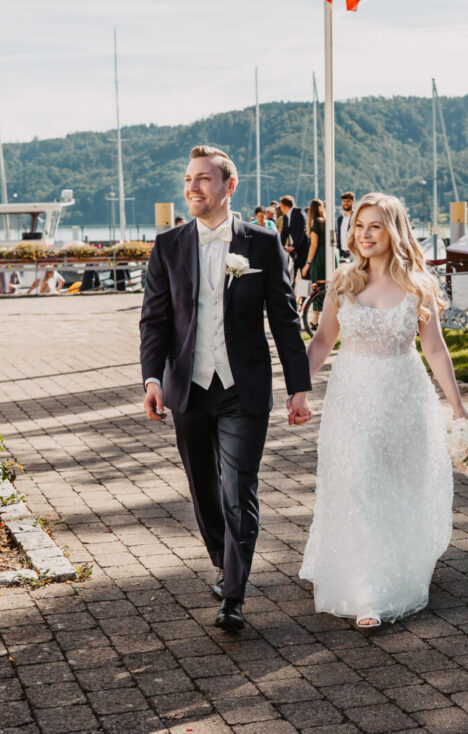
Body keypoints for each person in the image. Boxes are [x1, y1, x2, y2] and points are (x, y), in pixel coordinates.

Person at [140, 145, 312, 632]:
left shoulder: (262, 242)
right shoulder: (168, 245)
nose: (194, 188)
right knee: (204, 490)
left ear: (229, 186)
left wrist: (299, 386)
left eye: (204, 179)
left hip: (244, 388)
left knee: (240, 489)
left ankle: (233, 595)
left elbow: (284, 318)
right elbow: (153, 322)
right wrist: (152, 379)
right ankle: (223, 560)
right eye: (189, 180)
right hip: (188, 388)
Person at [299, 192, 468, 629]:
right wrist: (299, 389)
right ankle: (367, 592)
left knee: (392, 487)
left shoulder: (418, 285)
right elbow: (321, 342)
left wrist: (459, 408)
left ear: (393, 230)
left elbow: (434, 348)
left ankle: (393, 567)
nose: (365, 234)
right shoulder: (342, 281)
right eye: (359, 226)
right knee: (356, 481)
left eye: (374, 226)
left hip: (402, 397)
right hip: (351, 397)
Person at [300, 198, 335, 329]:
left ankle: (315, 320)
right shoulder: (327, 221)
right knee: (329, 287)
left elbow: (313, 245)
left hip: (320, 256)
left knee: (318, 287)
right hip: (331, 255)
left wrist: (308, 263)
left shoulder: (316, 222)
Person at [278, 196, 308, 302]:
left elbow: (302, 231)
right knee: (293, 274)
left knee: (304, 274)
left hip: (303, 249)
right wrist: (281, 244)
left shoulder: (299, 213)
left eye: (281, 206)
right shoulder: (286, 217)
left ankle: (304, 299)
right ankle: (291, 297)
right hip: (293, 250)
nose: (280, 209)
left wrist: (294, 245)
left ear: (285, 206)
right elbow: (284, 232)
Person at [336, 191, 355, 258]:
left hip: (353, 252)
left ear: (353, 202)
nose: (345, 203)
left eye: (348, 201)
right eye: (344, 201)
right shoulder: (340, 219)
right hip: (342, 253)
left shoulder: (356, 217)